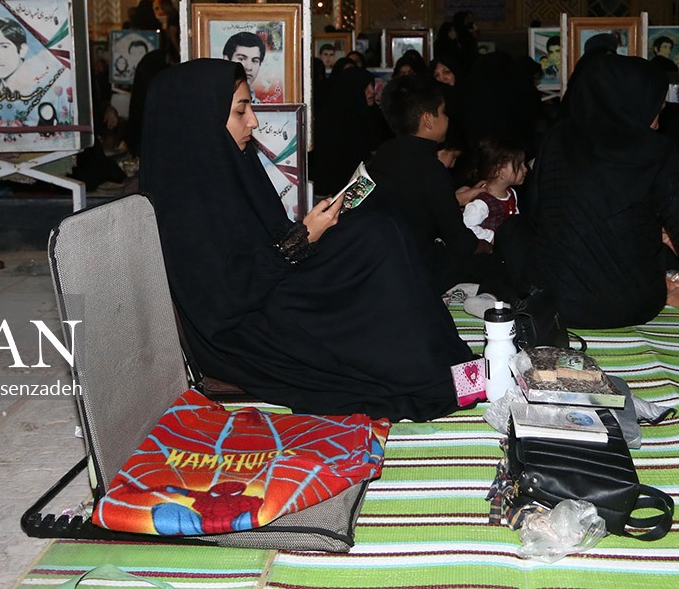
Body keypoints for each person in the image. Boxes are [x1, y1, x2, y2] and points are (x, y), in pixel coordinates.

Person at [140, 59, 474, 420]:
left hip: (272, 288)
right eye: (240, 111)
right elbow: (224, 298)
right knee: (375, 242)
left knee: (379, 225)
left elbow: (265, 240)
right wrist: (303, 237)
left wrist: (314, 227)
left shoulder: (228, 166)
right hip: (252, 326)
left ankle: (448, 363)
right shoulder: (184, 200)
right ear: (200, 119)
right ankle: (433, 372)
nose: (253, 121)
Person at [497, 52, 679, 329]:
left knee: (514, 229)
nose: (658, 120)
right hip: (632, 305)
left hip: (555, 305)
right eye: (656, 107)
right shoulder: (655, 150)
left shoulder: (557, 139)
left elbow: (540, 215)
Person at [365, 74, 496, 295]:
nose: (447, 118)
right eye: (443, 112)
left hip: (377, 261)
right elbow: (460, 242)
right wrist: (485, 246)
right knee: (494, 263)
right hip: (415, 267)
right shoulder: (430, 168)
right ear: (427, 119)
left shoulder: (383, 154)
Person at [308, 64, 389, 196]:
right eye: (365, 87)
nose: (372, 91)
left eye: (372, 85)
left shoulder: (376, 115)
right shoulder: (331, 121)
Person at [461, 138, 526, 244]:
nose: (525, 169)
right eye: (520, 166)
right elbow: (466, 226)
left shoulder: (511, 193)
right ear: (499, 171)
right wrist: (491, 237)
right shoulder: (482, 201)